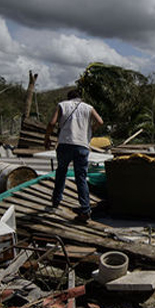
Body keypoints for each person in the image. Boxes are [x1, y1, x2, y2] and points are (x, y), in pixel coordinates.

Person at [44, 89, 103, 222]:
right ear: (80, 98)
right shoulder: (88, 107)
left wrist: (46, 138)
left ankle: (56, 200)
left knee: (61, 172)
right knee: (81, 177)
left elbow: (52, 123)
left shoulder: (62, 105)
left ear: (68, 98)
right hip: (82, 145)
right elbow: (100, 121)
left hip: (65, 144)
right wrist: (90, 131)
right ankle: (85, 209)